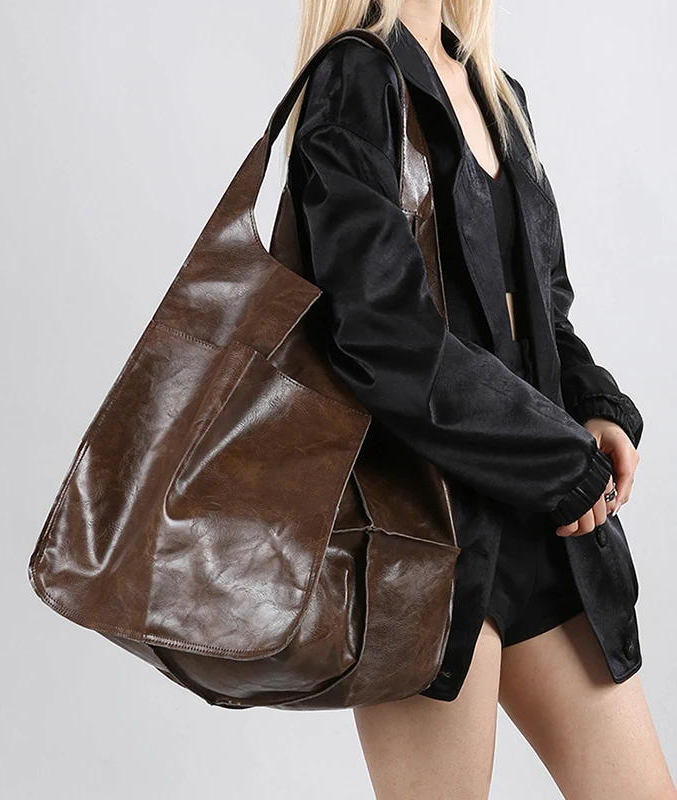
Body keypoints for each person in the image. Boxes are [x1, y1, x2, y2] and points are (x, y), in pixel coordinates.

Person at [284, 1, 675, 797]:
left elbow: (541, 309)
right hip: (426, 539)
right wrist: (555, 459)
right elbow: (382, 336)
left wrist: (595, 406)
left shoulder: (497, 93)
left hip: (542, 522)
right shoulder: (357, 77)